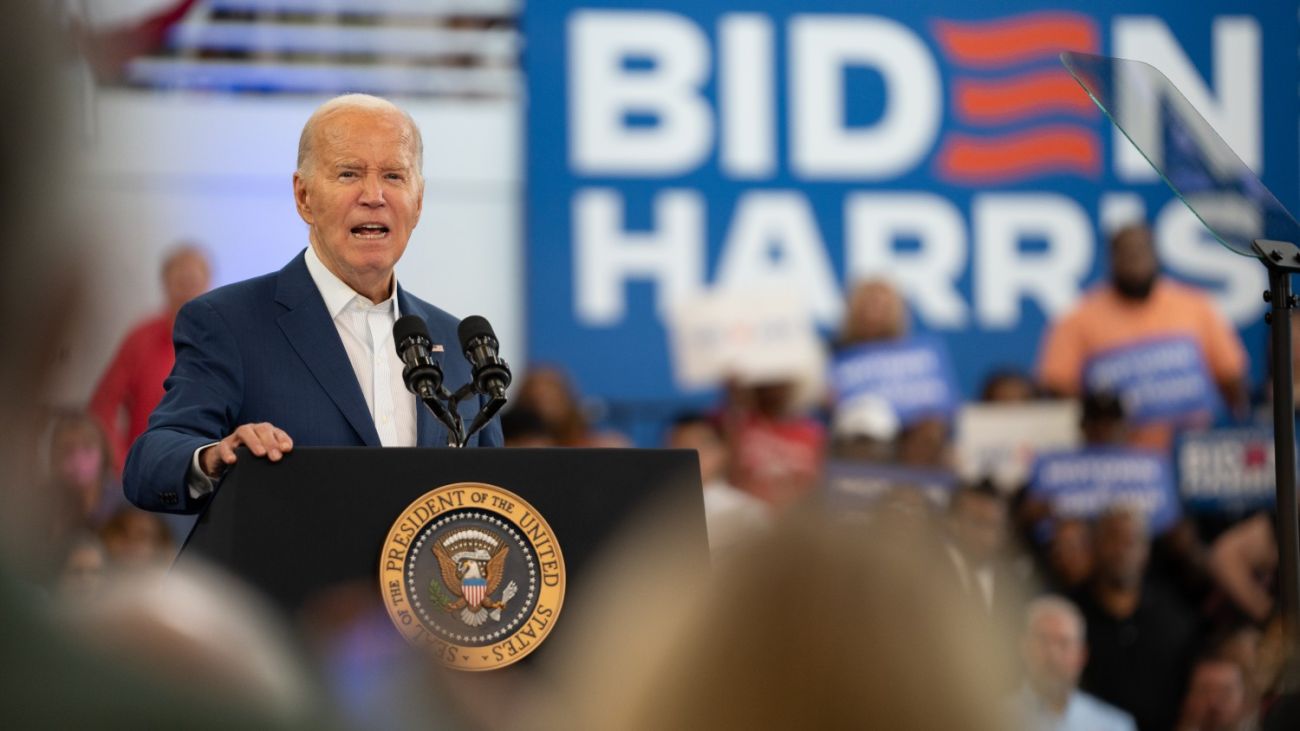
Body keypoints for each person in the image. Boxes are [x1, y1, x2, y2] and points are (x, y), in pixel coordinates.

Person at [123, 94, 502, 514]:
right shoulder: (228, 323)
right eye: (349, 173)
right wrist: (215, 455)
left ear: (418, 202)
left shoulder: (457, 345)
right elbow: (150, 461)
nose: (374, 195)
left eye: (394, 176)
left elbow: (494, 500)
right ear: (304, 197)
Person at [1036, 224, 1247, 451]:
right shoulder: (1077, 319)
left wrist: (1242, 430)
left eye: (1142, 251)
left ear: (1156, 254)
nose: (1135, 260)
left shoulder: (1196, 306)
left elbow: (1231, 377)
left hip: (1197, 453)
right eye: (1126, 253)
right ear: (1111, 259)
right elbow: (1057, 389)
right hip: (1122, 463)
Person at [89, 244, 211, 474]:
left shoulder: (222, 341)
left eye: (193, 283)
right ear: (165, 283)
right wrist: (122, 465)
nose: (187, 292)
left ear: (207, 285)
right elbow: (103, 406)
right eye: (181, 283)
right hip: (146, 475)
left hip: (205, 476)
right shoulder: (141, 339)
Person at [1075, 508, 1199, 731]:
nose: (1121, 550)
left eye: (1131, 541)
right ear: (1095, 545)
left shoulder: (1173, 617)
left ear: (1146, 550)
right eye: (1112, 538)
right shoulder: (1071, 617)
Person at [1011, 595, 1137, 731]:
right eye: (1043, 641)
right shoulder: (991, 720)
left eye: (1064, 643)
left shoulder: (1114, 726)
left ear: (1082, 655)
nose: (1053, 655)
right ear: (1024, 648)